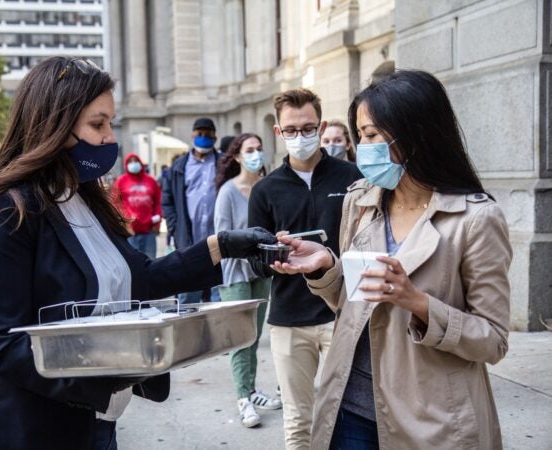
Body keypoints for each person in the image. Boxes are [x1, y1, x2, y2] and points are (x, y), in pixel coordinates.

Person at [0, 56, 278, 450]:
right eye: (97, 124)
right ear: (53, 125)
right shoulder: (3, 212)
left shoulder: (86, 201)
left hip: (94, 424)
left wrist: (223, 248)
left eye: (110, 123)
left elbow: (143, 277)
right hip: (23, 429)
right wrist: (107, 381)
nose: (108, 138)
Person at [272, 69, 512, 449]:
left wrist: (417, 303)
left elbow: (493, 341)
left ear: (416, 135)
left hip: (430, 418)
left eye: (371, 135)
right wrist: (328, 267)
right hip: (349, 407)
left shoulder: (475, 219)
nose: (363, 147)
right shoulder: (361, 202)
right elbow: (356, 305)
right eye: (360, 135)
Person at [248, 88, 361, 449]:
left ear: (322, 126)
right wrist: (273, 257)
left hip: (341, 313)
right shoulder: (265, 190)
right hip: (289, 317)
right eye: (291, 130)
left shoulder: (352, 177)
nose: (301, 136)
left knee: (347, 411)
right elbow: (254, 261)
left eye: (308, 128)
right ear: (278, 133)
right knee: (298, 418)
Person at [214, 133, 281, 428]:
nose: (256, 154)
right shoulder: (228, 192)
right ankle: (243, 398)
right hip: (235, 273)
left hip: (262, 272)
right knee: (240, 338)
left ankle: (251, 390)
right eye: (249, 150)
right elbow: (222, 238)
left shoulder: (267, 188)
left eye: (259, 149)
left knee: (254, 335)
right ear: (238, 157)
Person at [162, 117, 223, 303]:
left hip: (219, 241)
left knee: (219, 294)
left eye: (208, 134)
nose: (203, 137)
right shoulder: (179, 167)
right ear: (192, 136)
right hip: (189, 242)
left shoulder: (223, 164)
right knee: (189, 295)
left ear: (215, 137)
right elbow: (167, 200)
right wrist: (174, 226)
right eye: (199, 134)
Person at [112, 152, 162, 258]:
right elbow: (115, 203)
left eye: (136, 161)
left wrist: (157, 223)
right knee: (133, 263)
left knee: (151, 262)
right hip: (130, 231)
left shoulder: (151, 181)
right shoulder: (121, 181)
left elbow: (158, 203)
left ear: (140, 163)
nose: (133, 163)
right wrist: (124, 220)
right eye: (130, 161)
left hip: (149, 230)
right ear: (126, 165)